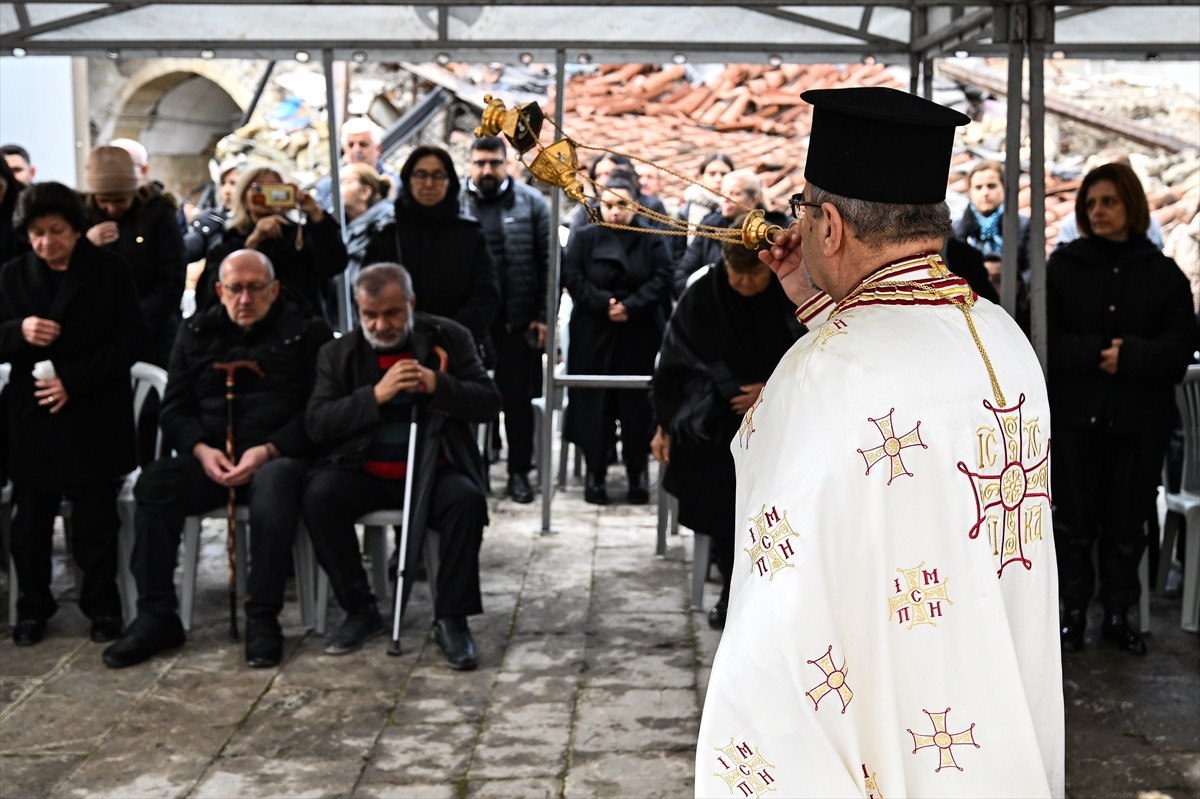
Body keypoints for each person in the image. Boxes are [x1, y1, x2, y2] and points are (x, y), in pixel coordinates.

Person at [696, 87, 1063, 797]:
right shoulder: (1003, 336)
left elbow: (787, 585)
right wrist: (818, 300)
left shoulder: (828, 368)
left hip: (898, 723)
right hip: (994, 704)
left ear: (829, 224)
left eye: (804, 211)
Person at [102, 249, 332, 669]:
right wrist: (201, 450)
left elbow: (320, 412)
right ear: (219, 290)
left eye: (255, 288)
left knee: (275, 485)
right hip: (212, 457)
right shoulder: (196, 331)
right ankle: (156, 616)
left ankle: (263, 617)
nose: (245, 298)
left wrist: (268, 449)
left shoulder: (306, 331)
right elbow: (174, 409)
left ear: (275, 289)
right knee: (156, 483)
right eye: (235, 289)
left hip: (279, 455)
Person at [302, 263, 501, 670]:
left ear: (411, 303)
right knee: (319, 496)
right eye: (370, 316)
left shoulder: (449, 337)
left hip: (434, 466)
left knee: (466, 501)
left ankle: (451, 618)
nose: (381, 324)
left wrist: (437, 384)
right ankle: (360, 609)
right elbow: (318, 423)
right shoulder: (338, 353)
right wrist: (374, 396)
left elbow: (488, 400)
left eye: (392, 313)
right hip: (364, 470)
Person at [1047, 162, 1197, 657]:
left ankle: (1117, 615)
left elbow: (1178, 352)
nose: (1098, 211)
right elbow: (1043, 341)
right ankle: (1073, 616)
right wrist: (1097, 353)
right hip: (1076, 420)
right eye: (1090, 204)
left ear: (1130, 204)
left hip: (1137, 424)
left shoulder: (1162, 274)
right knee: (1072, 524)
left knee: (1126, 524)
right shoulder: (1064, 267)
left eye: (1108, 201)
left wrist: (1128, 356)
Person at [0, 182, 145, 646]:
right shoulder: (12, 276)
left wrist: (74, 382)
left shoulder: (109, 271)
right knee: (30, 523)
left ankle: (102, 608)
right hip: (33, 417)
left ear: (77, 229)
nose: (47, 243)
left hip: (94, 412)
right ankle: (32, 608)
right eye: (37, 233)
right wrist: (18, 331)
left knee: (95, 520)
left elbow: (130, 342)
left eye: (57, 231)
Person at [651, 218, 804, 629]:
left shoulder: (793, 295)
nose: (747, 283)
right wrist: (664, 425)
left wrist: (771, 392)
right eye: (739, 274)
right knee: (722, 492)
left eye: (756, 274)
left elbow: (814, 356)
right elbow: (673, 369)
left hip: (787, 424)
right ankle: (731, 586)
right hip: (716, 425)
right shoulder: (703, 296)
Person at [562, 175, 672, 505]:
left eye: (622, 205)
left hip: (637, 333)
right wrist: (602, 304)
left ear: (635, 206)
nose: (615, 211)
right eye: (609, 205)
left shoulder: (651, 239)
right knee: (595, 406)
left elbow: (663, 276)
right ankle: (595, 473)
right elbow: (572, 277)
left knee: (637, 407)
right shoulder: (584, 238)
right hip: (593, 333)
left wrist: (631, 306)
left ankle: (637, 472)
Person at [461, 136, 551, 504]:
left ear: (507, 163)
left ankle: (518, 472)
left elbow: (547, 264)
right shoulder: (457, 204)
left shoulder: (531, 204)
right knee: (468, 398)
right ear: (470, 164)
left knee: (517, 400)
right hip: (469, 324)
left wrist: (543, 317)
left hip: (518, 320)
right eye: (480, 163)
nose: (487, 170)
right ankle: (474, 471)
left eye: (494, 163)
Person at [363, 146, 499, 366]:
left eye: (438, 175)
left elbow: (486, 295)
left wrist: (450, 334)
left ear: (450, 182)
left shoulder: (469, 235)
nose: (429, 184)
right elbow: (369, 292)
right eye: (420, 175)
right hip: (399, 348)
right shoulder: (387, 236)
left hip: (459, 349)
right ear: (408, 180)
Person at [195, 164, 348, 326]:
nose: (266, 196)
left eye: (275, 190)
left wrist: (316, 215)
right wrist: (253, 242)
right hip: (244, 331)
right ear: (244, 196)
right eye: (259, 189)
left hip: (298, 329)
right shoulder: (228, 239)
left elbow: (334, 265)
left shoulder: (300, 236)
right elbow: (213, 293)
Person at [82, 145, 186, 367]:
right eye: (103, 201)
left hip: (152, 332)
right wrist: (86, 245)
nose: (111, 209)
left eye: (120, 201)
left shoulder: (158, 214)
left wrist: (132, 322)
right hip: (97, 335)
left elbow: (171, 279)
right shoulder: (82, 215)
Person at [672, 169, 764, 297]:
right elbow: (683, 272)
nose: (725, 199)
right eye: (723, 193)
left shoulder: (767, 230)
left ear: (754, 200)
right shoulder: (708, 226)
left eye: (735, 193)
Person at [313, 117, 400, 212]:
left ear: (378, 149)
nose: (356, 150)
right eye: (351, 145)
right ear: (344, 148)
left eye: (363, 144)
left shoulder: (397, 184)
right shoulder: (327, 187)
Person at [340, 162, 395, 288]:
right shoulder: (340, 227)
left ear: (365, 192)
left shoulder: (386, 226)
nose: (337, 188)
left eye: (345, 182)